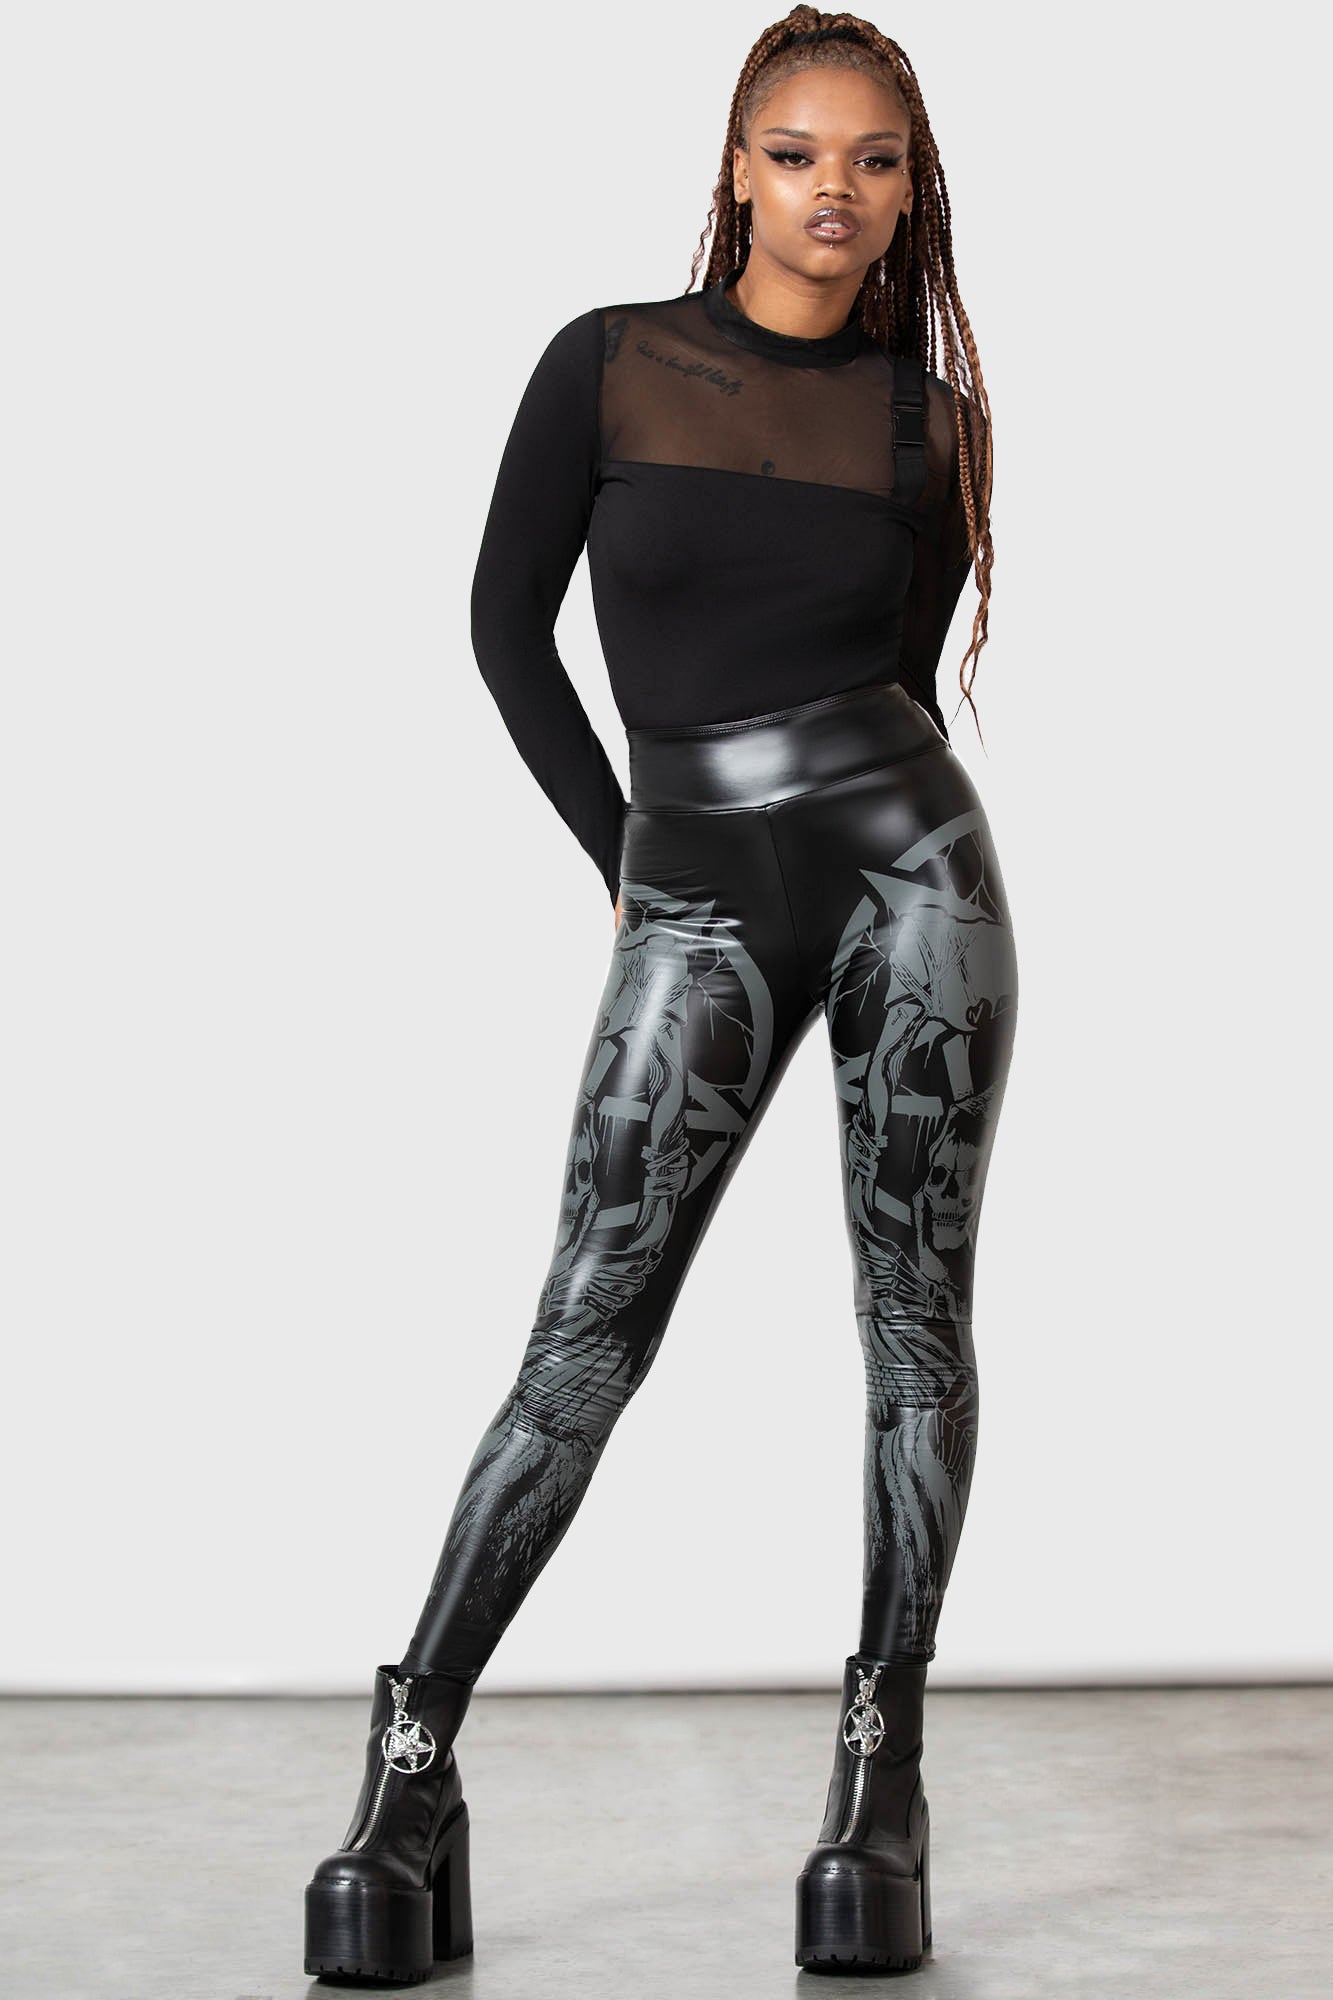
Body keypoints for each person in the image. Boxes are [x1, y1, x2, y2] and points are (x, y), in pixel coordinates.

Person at [303, 6, 1019, 1982]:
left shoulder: (925, 421)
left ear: (908, 191)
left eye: (873, 160)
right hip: (695, 880)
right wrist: (628, 861)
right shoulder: (608, 362)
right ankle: (410, 1770)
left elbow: (898, 662)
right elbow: (502, 629)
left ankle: (878, 1784)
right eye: (797, 153)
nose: (832, 191)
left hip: (912, 878)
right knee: (584, 1329)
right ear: (736, 169)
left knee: (911, 1327)